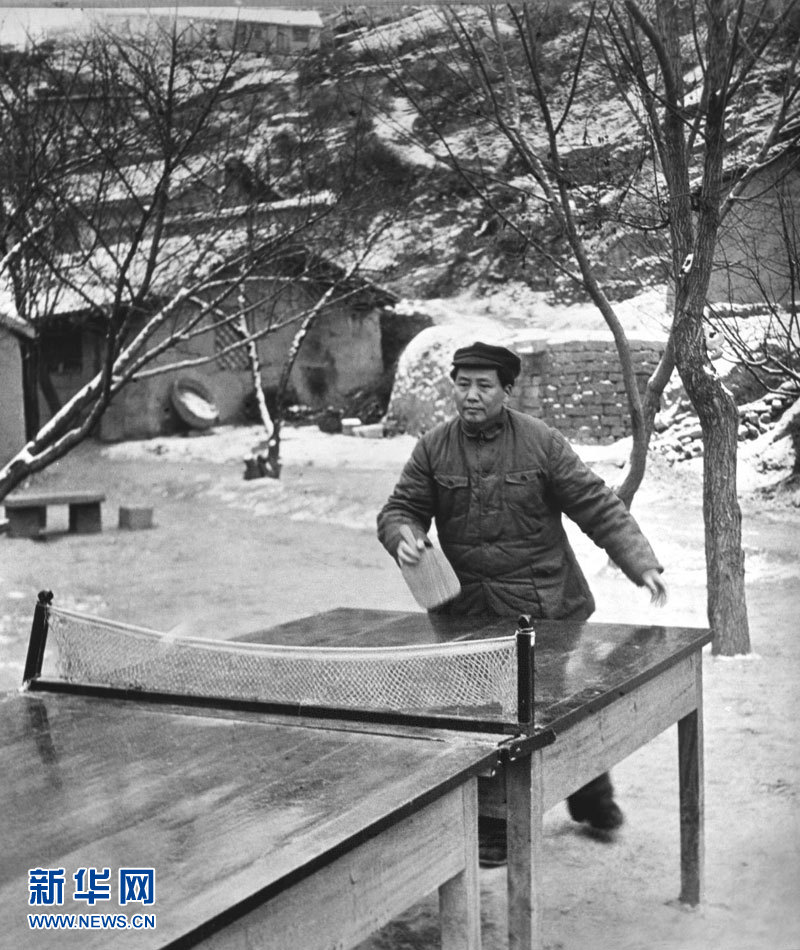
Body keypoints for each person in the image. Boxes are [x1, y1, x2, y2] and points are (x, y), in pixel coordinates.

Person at [377, 341, 667, 865]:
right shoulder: (432, 448)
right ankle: (494, 825)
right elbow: (401, 509)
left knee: (554, 712)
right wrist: (402, 534)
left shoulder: (541, 443)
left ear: (507, 390)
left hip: (546, 610)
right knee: (483, 723)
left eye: (483, 385)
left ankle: (591, 794)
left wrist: (640, 562)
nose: (470, 395)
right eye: (462, 383)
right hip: (468, 616)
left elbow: (597, 506)